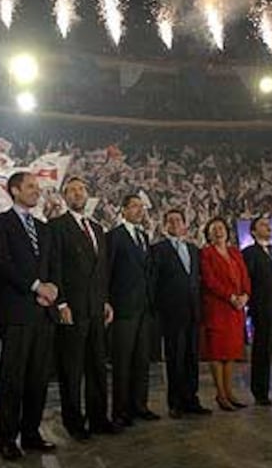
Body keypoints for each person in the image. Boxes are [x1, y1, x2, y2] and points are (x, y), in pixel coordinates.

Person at [0, 172, 57, 461]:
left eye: (37, 188)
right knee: (13, 378)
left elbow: (50, 266)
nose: (36, 192)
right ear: (15, 190)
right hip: (14, 311)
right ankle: (7, 439)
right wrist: (35, 286)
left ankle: (31, 433)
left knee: (38, 377)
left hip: (43, 311)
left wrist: (50, 289)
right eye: (30, 187)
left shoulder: (43, 227)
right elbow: (2, 263)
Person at [49, 177, 119, 441]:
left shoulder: (97, 228)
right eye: (72, 190)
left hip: (96, 309)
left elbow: (102, 271)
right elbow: (55, 267)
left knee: (97, 366)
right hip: (72, 309)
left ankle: (99, 417)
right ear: (64, 196)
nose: (78, 193)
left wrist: (106, 300)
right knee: (72, 369)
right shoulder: (56, 227)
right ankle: (74, 422)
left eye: (81, 189)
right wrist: (62, 303)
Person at [153, 209, 211, 419]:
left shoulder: (194, 249)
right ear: (165, 226)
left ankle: (191, 400)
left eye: (178, 220)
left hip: (193, 313)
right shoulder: (158, 249)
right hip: (171, 314)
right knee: (174, 359)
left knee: (192, 358)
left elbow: (198, 281)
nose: (175, 224)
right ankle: (175, 402)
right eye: (170, 221)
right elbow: (154, 283)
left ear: (185, 225)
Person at [107, 195, 159, 426]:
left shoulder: (144, 237)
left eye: (142, 207)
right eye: (135, 206)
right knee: (122, 362)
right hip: (123, 309)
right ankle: (120, 411)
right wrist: (107, 302)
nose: (140, 211)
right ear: (124, 210)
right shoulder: (114, 237)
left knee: (141, 361)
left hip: (144, 310)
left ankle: (140, 406)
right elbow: (106, 273)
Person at [200, 217, 251, 411]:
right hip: (217, 307)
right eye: (214, 229)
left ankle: (229, 392)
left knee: (231, 352)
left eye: (221, 228)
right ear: (209, 234)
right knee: (217, 352)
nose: (219, 231)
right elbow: (209, 280)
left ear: (227, 232)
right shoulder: (206, 253)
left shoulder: (235, 252)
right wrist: (230, 296)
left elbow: (245, 275)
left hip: (236, 309)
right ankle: (220, 395)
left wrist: (245, 295)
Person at [242, 216, 272, 405]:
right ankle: (261, 392)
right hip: (262, 308)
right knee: (262, 351)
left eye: (268, 225)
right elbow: (248, 281)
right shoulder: (249, 253)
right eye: (263, 225)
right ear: (254, 232)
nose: (268, 227)